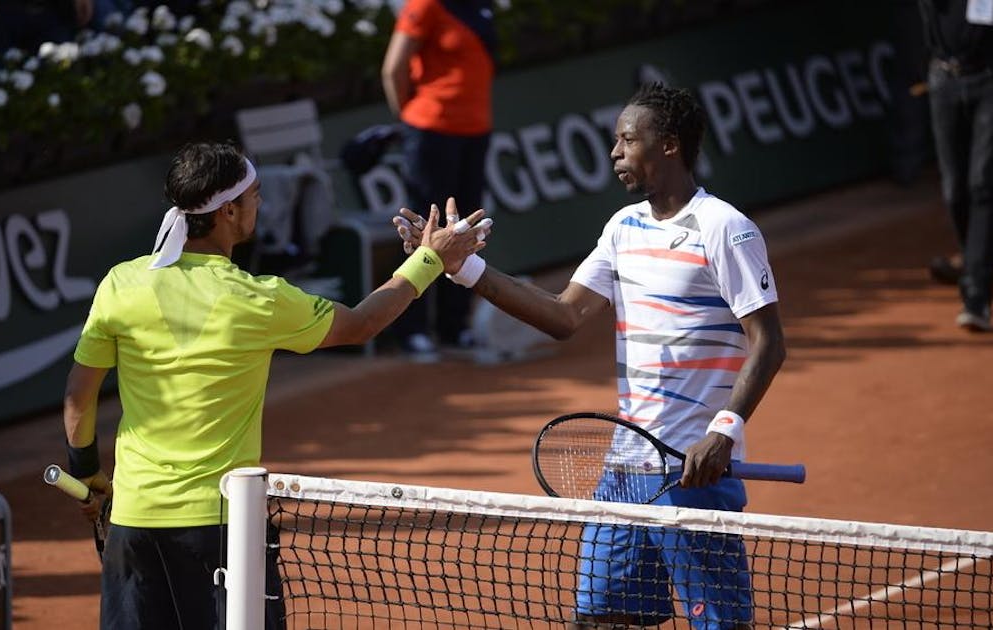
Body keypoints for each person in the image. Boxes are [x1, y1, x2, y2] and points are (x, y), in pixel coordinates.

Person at [395, 84, 786, 629]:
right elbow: (564, 316)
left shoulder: (725, 229)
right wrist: (462, 269)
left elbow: (768, 341)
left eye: (628, 139)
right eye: (615, 141)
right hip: (625, 471)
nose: (615, 153)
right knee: (599, 618)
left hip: (694, 473)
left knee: (719, 625)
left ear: (669, 145)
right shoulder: (622, 228)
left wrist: (723, 431)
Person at [62, 141, 486, 630]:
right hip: (222, 529)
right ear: (228, 211)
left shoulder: (121, 283)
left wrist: (88, 473)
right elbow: (362, 324)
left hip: (133, 524)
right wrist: (428, 260)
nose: (260, 205)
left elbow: (79, 395)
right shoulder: (257, 300)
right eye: (256, 195)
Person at [381, 0, 495, 360]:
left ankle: (453, 325)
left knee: (463, 230)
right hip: (430, 132)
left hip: (475, 131)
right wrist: (410, 122)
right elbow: (393, 69)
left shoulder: (482, 6)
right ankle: (411, 327)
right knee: (423, 230)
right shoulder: (425, 4)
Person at [917, 0, 993, 331]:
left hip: (990, 78)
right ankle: (977, 262)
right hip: (944, 78)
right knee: (954, 190)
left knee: (983, 182)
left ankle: (975, 292)